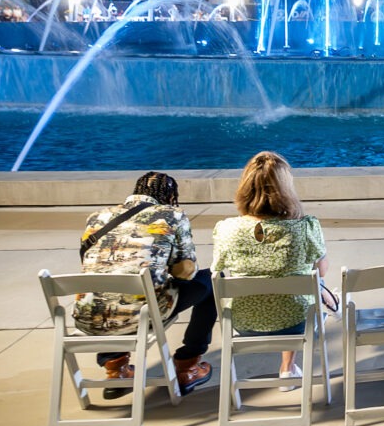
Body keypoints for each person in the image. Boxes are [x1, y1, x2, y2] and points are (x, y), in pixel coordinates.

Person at [74, 170, 215, 393]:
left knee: (107, 292)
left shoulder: (97, 217)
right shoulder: (172, 214)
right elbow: (186, 272)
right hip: (141, 314)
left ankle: (116, 367)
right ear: (170, 197)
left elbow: (90, 263)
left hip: (88, 318)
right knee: (211, 281)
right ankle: (188, 365)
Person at [212, 151, 329, 383]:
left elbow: (217, 269)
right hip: (296, 324)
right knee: (307, 285)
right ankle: (288, 367)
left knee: (288, 286)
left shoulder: (226, 229)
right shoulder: (304, 227)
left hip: (244, 322)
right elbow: (322, 270)